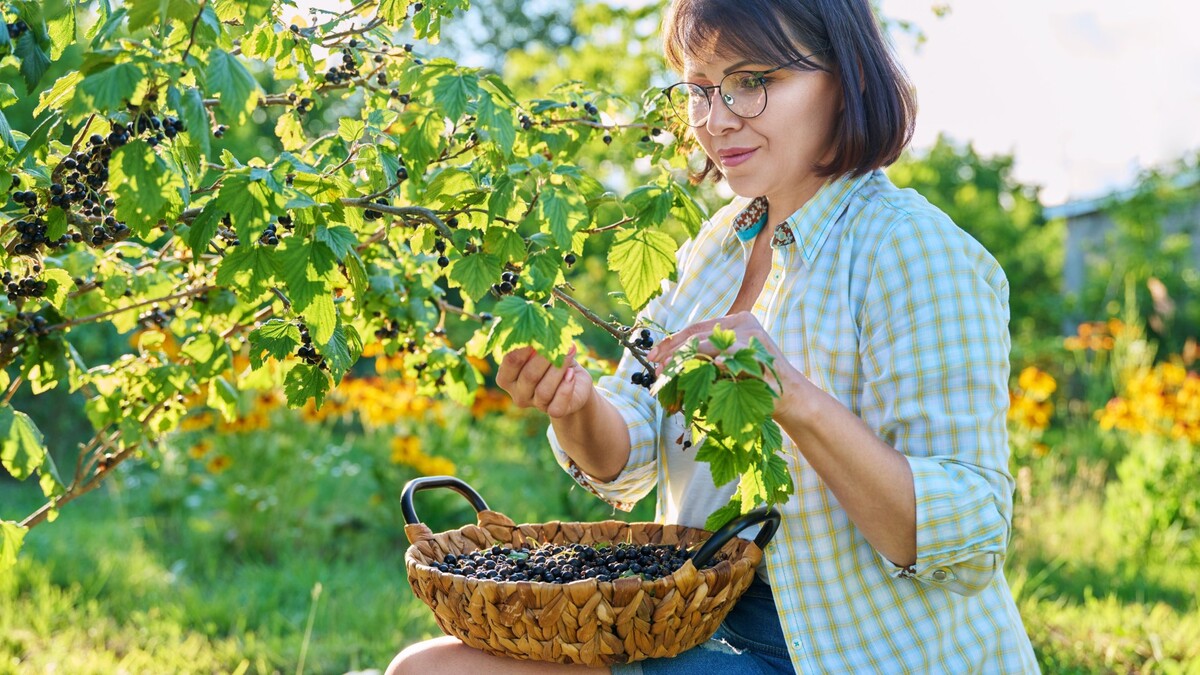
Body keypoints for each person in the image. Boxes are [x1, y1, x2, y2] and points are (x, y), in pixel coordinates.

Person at [387, 0, 1040, 672]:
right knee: (428, 667)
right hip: (693, 624)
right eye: (699, 89)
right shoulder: (715, 250)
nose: (715, 118)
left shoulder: (912, 251)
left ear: (846, 80)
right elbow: (628, 447)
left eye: (752, 81)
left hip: (852, 651)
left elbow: (968, 538)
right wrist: (576, 403)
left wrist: (792, 396)